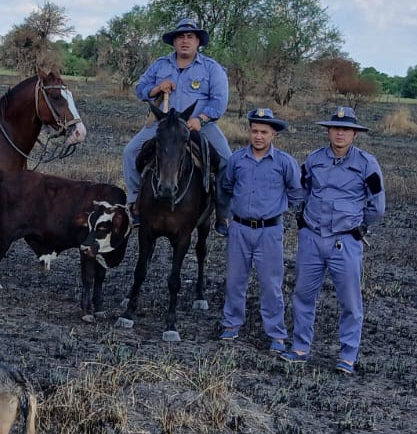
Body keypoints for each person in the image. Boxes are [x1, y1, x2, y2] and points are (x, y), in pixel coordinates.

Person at [283, 106, 385, 373]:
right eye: (335, 128)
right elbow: (301, 193)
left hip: (345, 242)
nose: (340, 133)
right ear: (328, 130)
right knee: (303, 295)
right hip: (312, 240)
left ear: (355, 134)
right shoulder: (314, 160)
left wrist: (356, 227)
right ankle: (300, 348)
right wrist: (303, 225)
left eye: (346, 129)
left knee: (350, 302)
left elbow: (377, 207)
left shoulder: (367, 164)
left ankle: (347, 357)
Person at [123, 18, 232, 217]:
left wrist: (201, 119)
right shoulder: (160, 65)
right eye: (180, 37)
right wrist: (157, 88)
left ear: (198, 41)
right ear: (173, 42)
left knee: (227, 161)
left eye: (190, 37)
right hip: (162, 126)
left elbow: (219, 101)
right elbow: (140, 89)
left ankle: (223, 213)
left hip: (198, 125)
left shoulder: (211, 68)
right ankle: (135, 202)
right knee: (130, 152)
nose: (185, 41)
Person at [217, 108, 305, 353]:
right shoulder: (236, 160)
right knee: (235, 279)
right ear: (249, 132)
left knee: (270, 283)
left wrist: (279, 209)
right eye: (254, 131)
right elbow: (226, 186)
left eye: (264, 132)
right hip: (240, 228)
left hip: (269, 232)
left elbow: (297, 193)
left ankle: (276, 333)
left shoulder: (285, 163)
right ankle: (231, 323)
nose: (258, 136)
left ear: (273, 135)